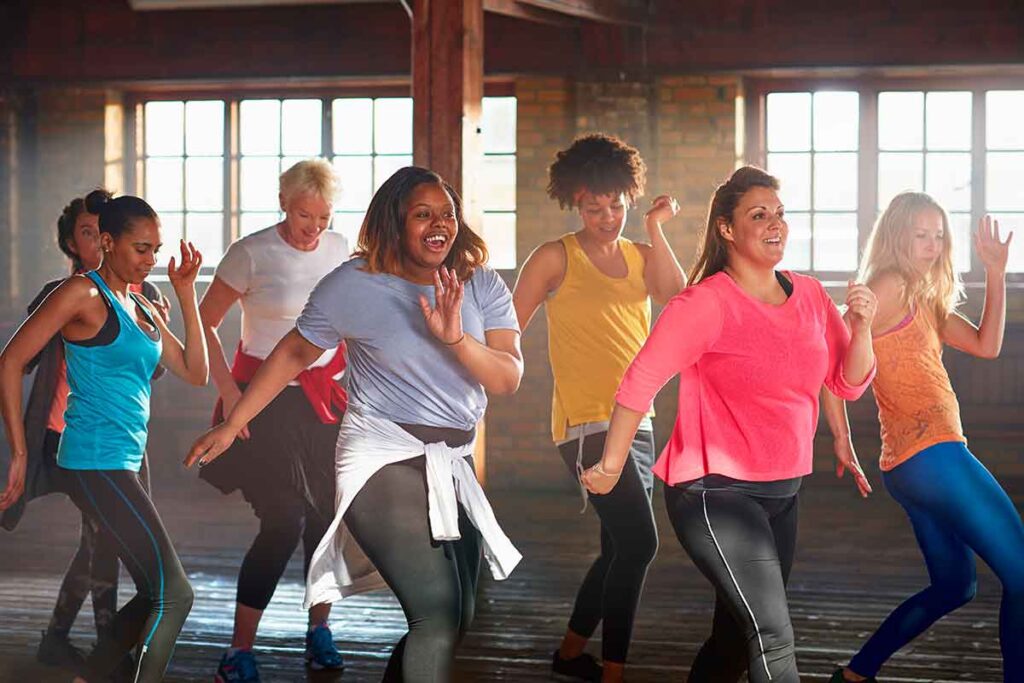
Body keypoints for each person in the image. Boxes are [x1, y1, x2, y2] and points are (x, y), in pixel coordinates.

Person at [186, 166, 523, 683]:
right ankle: (251, 644)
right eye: (422, 214)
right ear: (394, 221)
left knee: (461, 615)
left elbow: (507, 378)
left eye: (447, 214)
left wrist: (456, 338)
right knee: (434, 613)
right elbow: (296, 350)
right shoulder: (355, 283)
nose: (439, 224)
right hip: (381, 453)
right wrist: (232, 423)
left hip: (450, 459)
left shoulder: (480, 283)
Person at [582, 166, 877, 682]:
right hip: (712, 490)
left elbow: (846, 381)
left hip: (782, 491)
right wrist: (610, 465)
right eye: (759, 214)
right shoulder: (706, 303)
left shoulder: (808, 295)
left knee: (734, 641)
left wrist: (863, 326)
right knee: (772, 635)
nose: (775, 224)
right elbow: (639, 381)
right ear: (726, 228)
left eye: (780, 214)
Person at [0, 192, 208, 682]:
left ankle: (89, 676)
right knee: (175, 594)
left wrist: (185, 293)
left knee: (151, 590)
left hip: (125, 460)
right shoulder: (81, 294)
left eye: (155, 249)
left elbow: (196, 372)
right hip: (93, 460)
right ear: (108, 243)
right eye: (140, 248)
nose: (150, 259)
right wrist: (21, 452)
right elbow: (10, 361)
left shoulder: (141, 304)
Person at [826, 193, 1024, 683]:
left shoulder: (923, 295)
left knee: (955, 587)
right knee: (1022, 575)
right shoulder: (888, 285)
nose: (933, 244)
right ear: (897, 235)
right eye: (921, 234)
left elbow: (987, 345)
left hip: (910, 464)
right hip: (933, 454)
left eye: (939, 234)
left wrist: (995, 271)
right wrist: (841, 436)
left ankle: (855, 674)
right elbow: (831, 359)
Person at [512, 133, 685, 682]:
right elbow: (504, 334)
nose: (607, 217)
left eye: (617, 206)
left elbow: (677, 298)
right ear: (573, 203)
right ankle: (613, 672)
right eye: (593, 208)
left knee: (616, 550)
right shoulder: (553, 257)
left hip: (639, 422)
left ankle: (568, 656)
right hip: (585, 425)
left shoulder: (640, 255)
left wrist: (655, 229)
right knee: (640, 544)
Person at [194, 158, 349, 682]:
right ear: (284, 202)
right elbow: (204, 321)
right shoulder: (250, 253)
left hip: (321, 402)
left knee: (327, 519)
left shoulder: (340, 249)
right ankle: (238, 650)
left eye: (324, 218)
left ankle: (319, 632)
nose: (314, 228)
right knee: (284, 519)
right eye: (306, 215)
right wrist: (229, 392)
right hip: (262, 402)